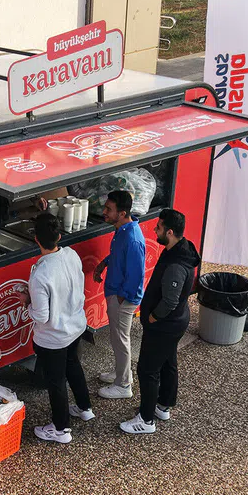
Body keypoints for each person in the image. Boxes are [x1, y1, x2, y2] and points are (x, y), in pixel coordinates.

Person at [121, 209, 199, 436]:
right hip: (175, 323)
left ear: (170, 232)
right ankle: (163, 405)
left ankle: (145, 420)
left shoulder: (176, 265)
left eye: (159, 227)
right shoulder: (180, 250)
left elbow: (170, 301)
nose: (155, 229)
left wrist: (153, 317)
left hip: (164, 325)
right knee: (167, 362)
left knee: (147, 369)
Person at [26, 213, 93, 443]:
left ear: (36, 240)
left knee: (56, 381)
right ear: (59, 236)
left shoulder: (39, 274)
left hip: (53, 337)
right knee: (73, 365)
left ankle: (61, 429)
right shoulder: (72, 254)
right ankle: (85, 407)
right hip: (75, 325)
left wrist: (26, 304)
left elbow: (42, 316)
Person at [92, 190, 146, 400]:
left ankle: (123, 385)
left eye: (109, 209)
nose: (104, 212)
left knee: (121, 340)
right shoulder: (124, 229)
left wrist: (121, 298)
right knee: (117, 339)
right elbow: (119, 255)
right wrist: (104, 264)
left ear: (122, 213)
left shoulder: (132, 238)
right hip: (118, 295)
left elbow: (136, 275)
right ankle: (121, 374)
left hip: (122, 298)